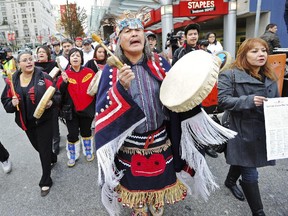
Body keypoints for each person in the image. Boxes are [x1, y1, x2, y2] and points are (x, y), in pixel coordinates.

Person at [94, 10, 234, 216]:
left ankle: (157, 200)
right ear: (118, 40)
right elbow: (103, 108)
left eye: (138, 30)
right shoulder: (111, 70)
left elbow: (179, 93)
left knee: (160, 178)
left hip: (160, 136)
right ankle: (139, 203)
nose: (134, 34)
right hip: (130, 142)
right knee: (135, 181)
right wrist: (120, 89)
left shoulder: (159, 63)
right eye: (127, 31)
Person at [218, 38, 279, 215]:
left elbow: (275, 100)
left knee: (244, 160)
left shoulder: (270, 75)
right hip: (240, 128)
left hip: (262, 128)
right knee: (251, 172)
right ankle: (258, 212)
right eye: (254, 51)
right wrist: (248, 100)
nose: (261, 54)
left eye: (264, 50)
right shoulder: (229, 74)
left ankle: (230, 182)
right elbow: (223, 101)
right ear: (243, 54)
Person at [1, 51, 58, 196]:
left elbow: (56, 94)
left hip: (44, 120)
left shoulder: (43, 77)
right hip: (26, 122)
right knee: (38, 147)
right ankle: (52, 157)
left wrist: (51, 102)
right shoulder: (13, 81)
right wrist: (12, 103)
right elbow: (6, 102)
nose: (29, 62)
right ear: (19, 64)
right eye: (25, 60)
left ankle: (46, 181)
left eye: (30, 59)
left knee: (43, 149)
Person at [56, 48, 95, 167]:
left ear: (82, 58)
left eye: (78, 55)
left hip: (87, 109)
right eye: (72, 55)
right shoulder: (64, 74)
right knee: (72, 134)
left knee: (86, 131)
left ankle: (88, 152)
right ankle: (72, 155)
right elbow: (59, 93)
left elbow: (95, 89)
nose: (75, 57)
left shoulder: (89, 72)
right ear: (69, 59)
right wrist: (64, 82)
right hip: (70, 110)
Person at [35, 45, 61, 155]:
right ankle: (46, 143)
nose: (41, 53)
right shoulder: (34, 66)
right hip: (38, 96)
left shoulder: (53, 64)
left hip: (52, 94)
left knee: (54, 120)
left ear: (47, 54)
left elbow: (59, 79)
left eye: (43, 52)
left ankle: (56, 140)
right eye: (39, 52)